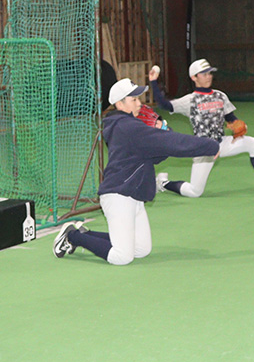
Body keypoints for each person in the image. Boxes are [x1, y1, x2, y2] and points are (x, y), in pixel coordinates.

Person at [52, 78, 220, 266]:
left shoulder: (125, 126)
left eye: (138, 99)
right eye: (133, 100)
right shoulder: (128, 128)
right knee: (122, 257)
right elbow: (174, 144)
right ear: (119, 104)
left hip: (132, 195)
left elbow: (155, 155)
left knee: (141, 250)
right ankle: (73, 236)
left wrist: (163, 132)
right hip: (118, 196)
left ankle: (86, 234)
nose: (139, 103)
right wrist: (209, 146)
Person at [149, 59, 254, 198]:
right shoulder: (190, 100)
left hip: (222, 142)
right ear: (194, 77)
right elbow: (164, 105)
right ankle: (163, 183)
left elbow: (230, 117)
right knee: (194, 192)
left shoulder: (220, 95)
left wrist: (238, 125)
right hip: (203, 148)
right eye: (204, 74)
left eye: (209, 73)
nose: (208, 77)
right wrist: (154, 82)